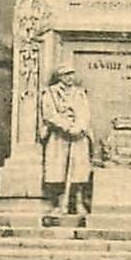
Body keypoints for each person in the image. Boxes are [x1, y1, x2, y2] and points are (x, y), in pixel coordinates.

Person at [40, 65, 93, 215]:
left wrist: (79, 127)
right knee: (58, 170)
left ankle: (78, 202)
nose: (70, 78)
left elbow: (85, 113)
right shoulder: (50, 93)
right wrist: (66, 127)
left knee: (79, 170)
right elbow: (49, 114)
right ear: (60, 76)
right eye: (66, 75)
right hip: (59, 136)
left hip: (78, 137)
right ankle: (59, 203)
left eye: (72, 74)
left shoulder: (79, 93)